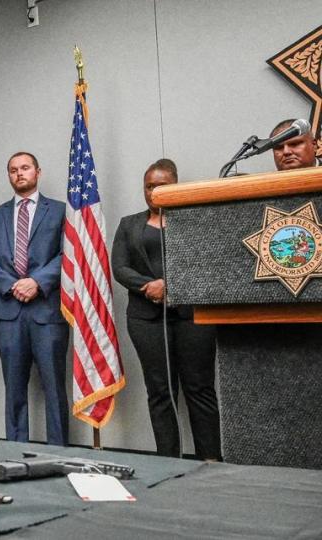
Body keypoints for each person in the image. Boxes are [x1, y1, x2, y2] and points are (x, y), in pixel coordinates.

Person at [111, 158, 220, 459]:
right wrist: (149, 286)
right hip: (146, 319)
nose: (154, 191)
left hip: (192, 316)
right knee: (160, 392)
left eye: (162, 185)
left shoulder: (194, 220)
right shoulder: (129, 224)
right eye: (149, 186)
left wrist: (171, 284)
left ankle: (211, 459)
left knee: (199, 389)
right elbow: (119, 267)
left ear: (175, 185)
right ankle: (168, 462)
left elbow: (207, 263)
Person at [0, 152, 69, 445]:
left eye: (25, 168)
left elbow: (68, 254)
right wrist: (15, 285)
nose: (19, 173)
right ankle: (17, 451)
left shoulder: (59, 212)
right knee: (14, 388)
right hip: (8, 311)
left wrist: (37, 282)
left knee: (54, 387)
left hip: (47, 311)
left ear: (38, 172)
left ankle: (60, 451)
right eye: (13, 170)